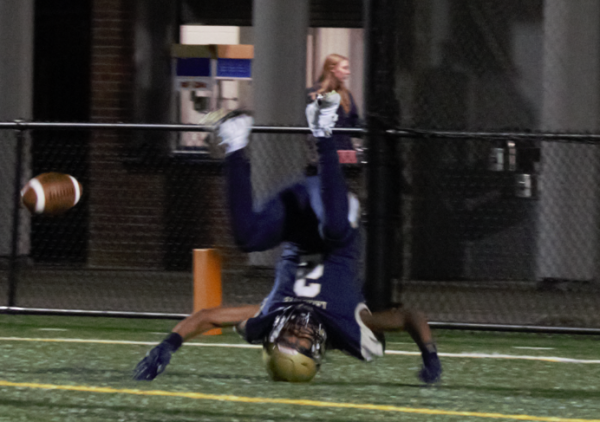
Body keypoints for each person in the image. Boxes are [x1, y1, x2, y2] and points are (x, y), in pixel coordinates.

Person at [133, 92, 442, 384]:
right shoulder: (350, 329)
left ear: (274, 337)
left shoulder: (267, 317)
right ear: (318, 349)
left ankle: (235, 140)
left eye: (286, 340)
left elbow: (208, 316)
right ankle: (324, 132)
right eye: (301, 342)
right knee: (332, 232)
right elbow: (409, 317)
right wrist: (430, 355)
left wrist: (168, 346)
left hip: (295, 215)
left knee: (247, 239)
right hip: (334, 211)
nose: (296, 332)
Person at [308, 53, 360, 152]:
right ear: (332, 69)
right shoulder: (315, 94)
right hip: (324, 151)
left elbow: (355, 122)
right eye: (344, 68)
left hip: (344, 152)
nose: (348, 72)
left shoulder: (346, 95)